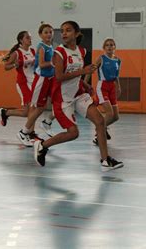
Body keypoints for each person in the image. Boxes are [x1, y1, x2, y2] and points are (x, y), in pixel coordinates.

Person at [32, 21, 124, 171]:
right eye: (62, 31)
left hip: (78, 94)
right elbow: (59, 76)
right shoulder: (59, 53)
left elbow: (75, 74)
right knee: (73, 133)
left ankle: (105, 161)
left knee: (100, 121)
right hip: (62, 99)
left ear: (76, 33)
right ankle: (42, 145)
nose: (64, 33)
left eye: (68, 30)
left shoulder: (82, 51)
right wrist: (83, 72)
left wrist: (85, 84)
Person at [0, 31, 44, 144]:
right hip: (23, 83)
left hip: (33, 82)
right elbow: (6, 67)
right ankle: (29, 133)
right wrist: (14, 65)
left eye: (30, 37)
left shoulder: (33, 51)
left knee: (28, 112)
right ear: (21, 40)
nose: (30, 39)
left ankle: (6, 113)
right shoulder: (17, 53)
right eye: (27, 38)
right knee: (30, 111)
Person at [17, 23, 56, 147]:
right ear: (40, 35)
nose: (48, 34)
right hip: (41, 79)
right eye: (46, 32)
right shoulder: (41, 47)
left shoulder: (51, 47)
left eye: (50, 32)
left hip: (50, 79)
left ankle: (47, 122)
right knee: (38, 108)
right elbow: (42, 64)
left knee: (59, 102)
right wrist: (55, 62)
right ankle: (24, 132)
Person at [87, 38, 121, 145]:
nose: (110, 47)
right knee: (109, 113)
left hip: (112, 87)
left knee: (115, 117)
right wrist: (85, 83)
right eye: (107, 45)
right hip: (102, 86)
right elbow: (91, 70)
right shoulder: (101, 58)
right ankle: (99, 133)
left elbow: (116, 75)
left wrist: (118, 86)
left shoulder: (117, 60)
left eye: (112, 45)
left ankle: (102, 129)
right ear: (104, 48)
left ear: (115, 47)